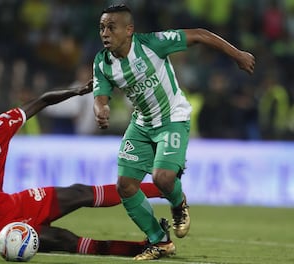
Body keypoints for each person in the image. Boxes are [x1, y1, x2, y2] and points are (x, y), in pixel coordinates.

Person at [93, 4, 255, 260]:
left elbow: (200, 34)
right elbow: (101, 95)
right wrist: (101, 109)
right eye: (102, 27)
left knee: (163, 178)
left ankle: (179, 206)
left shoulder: (152, 44)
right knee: (125, 185)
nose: (105, 33)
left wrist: (237, 55)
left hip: (172, 118)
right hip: (142, 124)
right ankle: (160, 241)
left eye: (111, 27)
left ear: (129, 30)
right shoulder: (103, 62)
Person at [0, 81, 166, 257]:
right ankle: (141, 248)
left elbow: (43, 100)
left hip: (12, 204)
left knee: (78, 192)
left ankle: (161, 189)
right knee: (62, 239)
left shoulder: (1, 127)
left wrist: (75, 92)